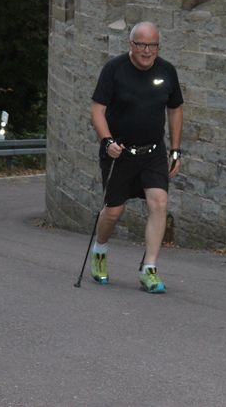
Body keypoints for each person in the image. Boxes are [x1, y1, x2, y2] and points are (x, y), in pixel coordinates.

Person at [89, 21, 184, 293]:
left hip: (152, 152)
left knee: (159, 202)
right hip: (119, 153)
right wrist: (107, 141)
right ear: (131, 44)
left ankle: (149, 269)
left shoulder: (167, 71)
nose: (147, 51)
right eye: (141, 44)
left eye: (152, 45)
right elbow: (97, 110)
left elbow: (175, 109)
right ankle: (100, 250)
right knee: (113, 211)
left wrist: (175, 149)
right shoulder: (114, 69)